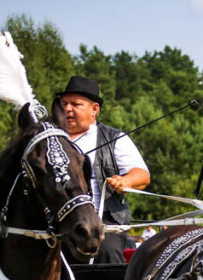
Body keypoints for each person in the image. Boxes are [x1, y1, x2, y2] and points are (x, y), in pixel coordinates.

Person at [53, 75, 150, 263]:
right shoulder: (50, 139)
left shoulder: (114, 138)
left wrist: (125, 181)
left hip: (105, 224)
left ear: (94, 109)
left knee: (106, 250)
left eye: (76, 104)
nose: (67, 110)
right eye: (64, 104)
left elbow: (142, 175)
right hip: (57, 225)